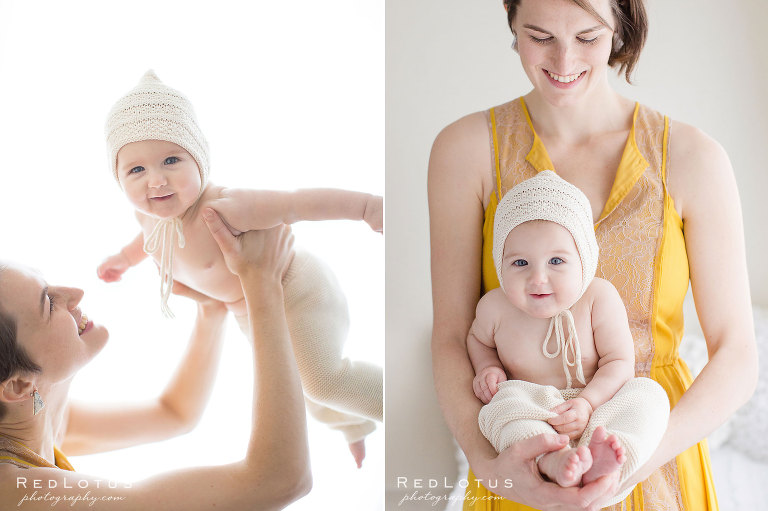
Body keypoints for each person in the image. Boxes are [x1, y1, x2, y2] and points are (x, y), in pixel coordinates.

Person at [428, 0, 758, 509]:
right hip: (522, 458)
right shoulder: (465, 150)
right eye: (539, 37)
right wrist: (492, 467)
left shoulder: (695, 160)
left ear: (621, 27)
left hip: (654, 456)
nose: (563, 63)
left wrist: (633, 462)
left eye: (587, 37)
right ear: (512, 23)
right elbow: (452, 336)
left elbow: (736, 353)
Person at [97, 71, 383, 467]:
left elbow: (298, 203)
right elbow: (145, 243)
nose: (156, 179)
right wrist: (123, 260)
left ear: (199, 159)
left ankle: (400, 406)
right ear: (118, 178)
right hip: (251, 310)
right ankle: (354, 428)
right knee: (300, 385)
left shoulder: (226, 206)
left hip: (296, 288)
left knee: (321, 380)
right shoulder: (149, 218)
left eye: (171, 160)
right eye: (136, 170)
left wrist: (367, 208)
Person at [0, 211, 312, 509]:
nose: (75, 293)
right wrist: (262, 283)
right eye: (49, 303)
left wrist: (212, 311)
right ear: (17, 385)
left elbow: (175, 414)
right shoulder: (14, 491)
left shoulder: (39, 417)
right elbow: (279, 480)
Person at [469, 171, 668, 505]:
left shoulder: (598, 298)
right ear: (500, 264)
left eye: (556, 261)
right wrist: (488, 368)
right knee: (500, 409)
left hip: (599, 405)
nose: (538, 278)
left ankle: (608, 465)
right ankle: (551, 460)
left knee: (649, 395)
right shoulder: (494, 307)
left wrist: (588, 403)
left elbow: (619, 362)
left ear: (585, 260)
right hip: (534, 406)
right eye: (520, 262)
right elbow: (477, 340)